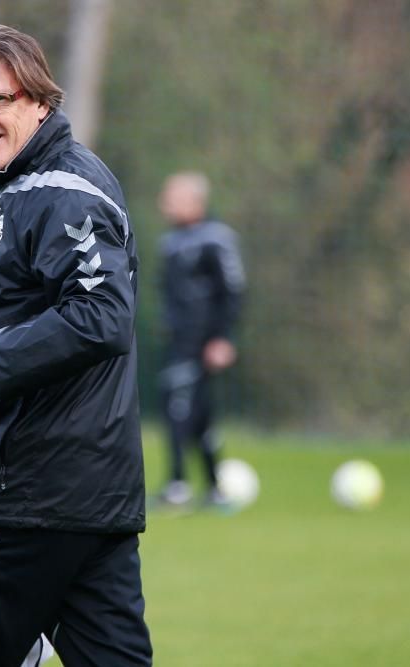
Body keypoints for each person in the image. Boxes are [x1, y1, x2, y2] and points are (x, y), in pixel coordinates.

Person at [0, 24, 152, 666]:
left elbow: (101, 315)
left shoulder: (59, 192)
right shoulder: (20, 188)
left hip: (27, 504)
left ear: (40, 100)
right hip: (83, 499)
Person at [154, 171, 246, 508]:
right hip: (179, 342)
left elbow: (233, 291)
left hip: (203, 342)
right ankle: (215, 488)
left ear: (195, 201)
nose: (164, 203)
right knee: (199, 413)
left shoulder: (217, 239)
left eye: (171, 196)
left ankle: (178, 485)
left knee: (180, 408)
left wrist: (222, 338)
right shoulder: (170, 242)